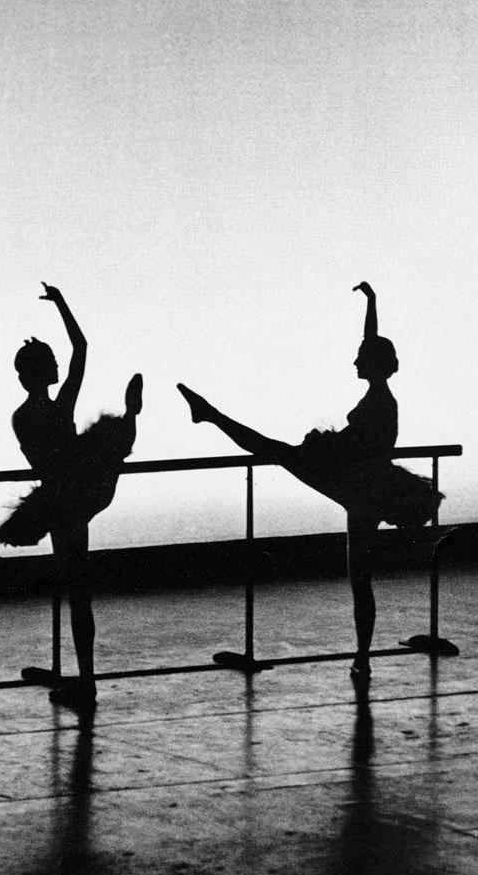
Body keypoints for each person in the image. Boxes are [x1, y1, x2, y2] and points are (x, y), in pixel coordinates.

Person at [177, 282, 441, 680]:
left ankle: (210, 415)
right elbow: (370, 341)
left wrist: (324, 451)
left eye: (358, 358)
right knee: (359, 579)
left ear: (371, 365)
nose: (353, 361)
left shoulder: (380, 402)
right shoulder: (382, 393)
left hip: (356, 484)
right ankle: (362, 657)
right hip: (363, 487)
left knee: (275, 451)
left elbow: (363, 445)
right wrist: (372, 303)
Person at [0, 283, 142, 709]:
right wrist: (60, 303)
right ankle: (128, 420)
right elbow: (81, 347)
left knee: (77, 591)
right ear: (41, 373)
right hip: (85, 491)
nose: (61, 367)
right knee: (76, 591)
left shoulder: (24, 416)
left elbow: (78, 350)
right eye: (53, 364)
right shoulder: (59, 409)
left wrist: (60, 302)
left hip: (64, 501)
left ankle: (87, 682)